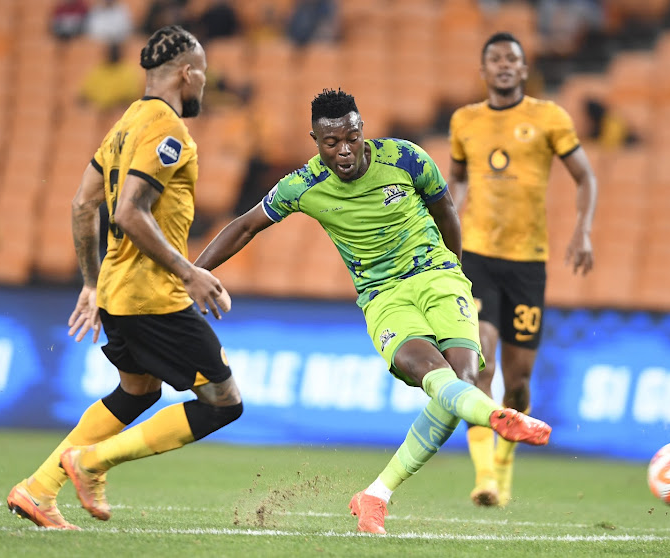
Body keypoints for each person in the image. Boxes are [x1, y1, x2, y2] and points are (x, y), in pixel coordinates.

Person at [194, 88, 552, 535]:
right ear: (316, 141)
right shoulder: (303, 185)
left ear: (363, 130)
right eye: (331, 142)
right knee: (430, 373)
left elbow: (446, 211)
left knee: (459, 384)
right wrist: (192, 273)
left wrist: (453, 273)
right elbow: (245, 225)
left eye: (351, 136)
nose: (344, 150)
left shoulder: (406, 158)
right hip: (383, 296)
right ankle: (497, 417)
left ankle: (376, 496)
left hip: (440, 278)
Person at [7, 25, 242, 530]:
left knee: (138, 391)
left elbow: (82, 204)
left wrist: (93, 283)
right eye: (203, 74)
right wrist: (190, 273)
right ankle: (90, 462)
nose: (204, 84)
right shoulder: (167, 130)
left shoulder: (126, 123)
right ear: (188, 73)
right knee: (224, 403)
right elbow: (131, 213)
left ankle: (38, 489)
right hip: (152, 294)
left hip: (117, 291)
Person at [448, 32, 597, 508]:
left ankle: (507, 466)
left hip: (528, 263)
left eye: (512, 57)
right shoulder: (464, 121)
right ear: (484, 71)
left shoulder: (549, 117)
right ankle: (485, 475)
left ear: (524, 67)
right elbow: (454, 182)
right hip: (477, 258)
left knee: (517, 382)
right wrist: (441, 236)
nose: (504, 64)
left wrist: (582, 231)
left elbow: (585, 177)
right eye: (495, 58)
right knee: (479, 363)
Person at [78, 42, 143, 111]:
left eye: (115, 52)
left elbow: (131, 95)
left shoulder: (128, 70)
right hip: (99, 109)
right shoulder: (99, 70)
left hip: (119, 110)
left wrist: (112, 105)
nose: (112, 54)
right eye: (110, 52)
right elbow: (86, 92)